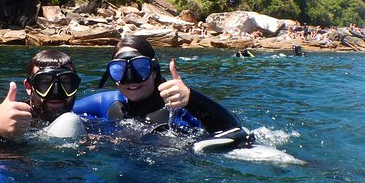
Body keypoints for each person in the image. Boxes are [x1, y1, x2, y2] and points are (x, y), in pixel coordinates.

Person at [74, 36, 252, 146]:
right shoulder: (106, 103)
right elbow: (57, 112)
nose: (131, 79)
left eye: (140, 68)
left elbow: (234, 128)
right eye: (119, 70)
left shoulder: (177, 106)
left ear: (154, 70)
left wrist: (192, 97)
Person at [0, 49, 81, 140]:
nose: (56, 92)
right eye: (45, 83)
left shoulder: (86, 122)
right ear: (29, 87)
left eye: (66, 83)